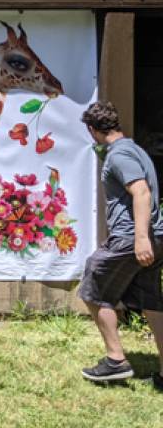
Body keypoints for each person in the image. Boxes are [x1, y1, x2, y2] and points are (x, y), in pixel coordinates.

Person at [78, 101, 163, 389]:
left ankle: (115, 361)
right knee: (151, 303)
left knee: (93, 284)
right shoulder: (135, 149)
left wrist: (140, 238)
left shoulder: (119, 155)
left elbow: (140, 191)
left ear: (93, 130)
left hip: (132, 238)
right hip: (153, 237)